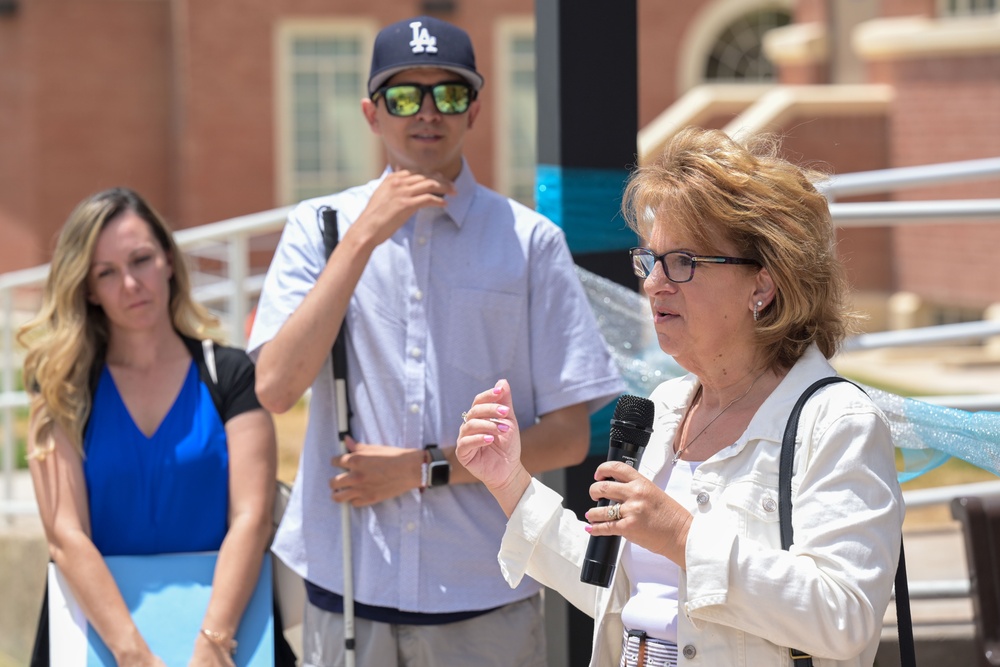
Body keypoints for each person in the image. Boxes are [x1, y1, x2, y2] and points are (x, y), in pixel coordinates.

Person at [247, 14, 624, 667]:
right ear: (371, 112)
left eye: (448, 93)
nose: (427, 111)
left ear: (474, 110)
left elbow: (568, 432)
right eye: (403, 95)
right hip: (346, 587)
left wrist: (422, 468)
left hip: (486, 591)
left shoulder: (530, 242)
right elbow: (276, 387)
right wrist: (364, 236)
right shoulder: (320, 228)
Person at [457, 127, 905, 667]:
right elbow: (618, 594)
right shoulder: (667, 407)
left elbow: (844, 619)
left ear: (762, 285)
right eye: (650, 260)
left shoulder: (837, 422)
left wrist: (680, 534)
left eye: (683, 262)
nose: (654, 284)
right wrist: (509, 481)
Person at [21, 187, 277, 667]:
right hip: (96, 640)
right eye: (107, 273)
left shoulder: (232, 374)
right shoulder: (60, 385)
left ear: (168, 260)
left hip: (226, 636)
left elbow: (252, 518)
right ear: (88, 289)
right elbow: (65, 534)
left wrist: (213, 641)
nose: (131, 284)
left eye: (140, 260)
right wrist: (134, 655)